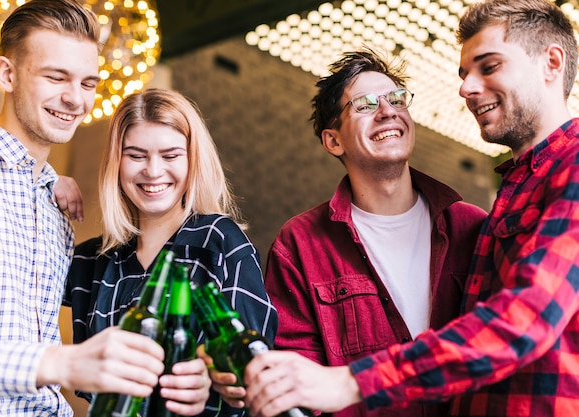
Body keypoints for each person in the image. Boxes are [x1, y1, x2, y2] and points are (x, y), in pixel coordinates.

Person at [241, 0, 579, 416]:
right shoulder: (516, 190)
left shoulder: (494, 210)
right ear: (333, 141)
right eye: (364, 105)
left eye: (488, 67)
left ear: (552, 62)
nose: (466, 88)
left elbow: (523, 319)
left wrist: (351, 381)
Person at [208, 47, 487, 417]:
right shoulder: (301, 244)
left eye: (396, 99)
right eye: (365, 104)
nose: (388, 111)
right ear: (333, 141)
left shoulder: (474, 226)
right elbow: (298, 382)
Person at [0, 1, 190, 416]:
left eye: (87, 83)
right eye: (55, 76)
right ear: (7, 74)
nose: (75, 99)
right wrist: (63, 364)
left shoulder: (55, 207)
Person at [63, 88, 278, 416]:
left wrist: (209, 380)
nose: (152, 170)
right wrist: (41, 184)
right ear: (116, 163)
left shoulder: (219, 241)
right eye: (136, 155)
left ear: (193, 159)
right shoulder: (93, 259)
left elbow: (253, 372)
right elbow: (8, 269)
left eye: (170, 155)